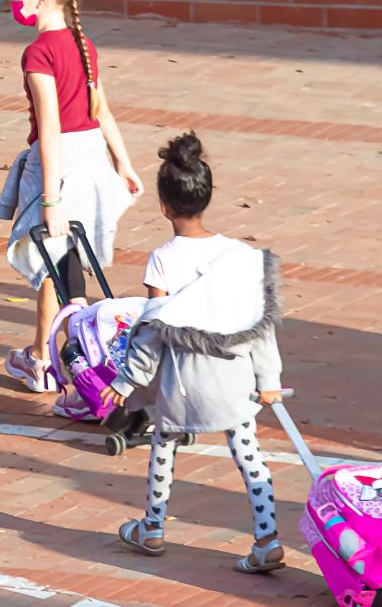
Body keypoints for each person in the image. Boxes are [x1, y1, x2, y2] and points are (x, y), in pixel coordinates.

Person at [105, 133, 286, 575]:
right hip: (234, 381)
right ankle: (267, 537)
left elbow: (153, 334)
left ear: (163, 206)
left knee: (163, 446)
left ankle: (152, 527)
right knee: (248, 454)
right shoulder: (241, 257)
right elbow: (260, 327)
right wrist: (270, 381)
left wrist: (125, 382)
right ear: (208, 196)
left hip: (182, 384)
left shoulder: (161, 260)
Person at [0, 0, 143, 392]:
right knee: (64, 261)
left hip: (58, 166)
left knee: (52, 263)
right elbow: (102, 111)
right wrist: (122, 162)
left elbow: (50, 128)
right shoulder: (83, 44)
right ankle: (49, 353)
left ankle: (51, 359)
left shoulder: (39, 53)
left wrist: (51, 198)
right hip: (92, 157)